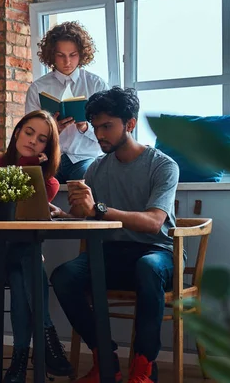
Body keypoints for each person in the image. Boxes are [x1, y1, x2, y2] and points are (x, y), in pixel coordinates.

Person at [49, 87, 179, 383]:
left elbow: (153, 222)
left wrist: (98, 209)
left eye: (107, 126)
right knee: (63, 276)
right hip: (112, 255)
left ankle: (145, 368)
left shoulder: (163, 165)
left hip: (157, 254)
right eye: (95, 127)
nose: (99, 135)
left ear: (130, 124)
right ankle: (105, 360)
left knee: (148, 268)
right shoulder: (97, 168)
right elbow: (92, 216)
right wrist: (65, 216)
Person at [0, 110, 73, 382]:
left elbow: (30, 215)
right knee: (27, 250)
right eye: (29, 132)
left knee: (22, 263)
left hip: (17, 260)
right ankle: (48, 340)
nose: (34, 141)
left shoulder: (49, 183)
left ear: (49, 147)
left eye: (42, 139)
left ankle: (19, 366)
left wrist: (31, 165)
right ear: (16, 133)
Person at [25, 21, 108, 183]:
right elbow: (29, 135)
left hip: (85, 158)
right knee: (31, 184)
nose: (67, 61)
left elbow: (108, 131)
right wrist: (53, 129)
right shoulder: (38, 88)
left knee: (88, 181)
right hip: (50, 159)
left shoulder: (96, 85)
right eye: (60, 55)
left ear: (82, 54)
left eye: (73, 55)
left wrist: (85, 127)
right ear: (51, 55)